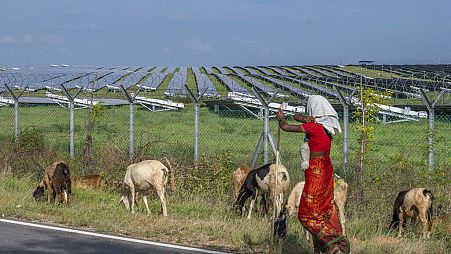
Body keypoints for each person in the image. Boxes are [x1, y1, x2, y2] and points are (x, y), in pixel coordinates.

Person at [276, 95, 349, 254]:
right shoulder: (324, 129)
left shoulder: (313, 127)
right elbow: (297, 116)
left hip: (316, 171)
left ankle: (331, 244)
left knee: (305, 214)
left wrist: (281, 119)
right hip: (326, 170)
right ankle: (323, 247)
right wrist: (304, 117)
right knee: (323, 210)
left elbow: (286, 127)